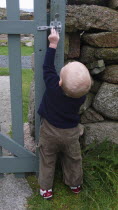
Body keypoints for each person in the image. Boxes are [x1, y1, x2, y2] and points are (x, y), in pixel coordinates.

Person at [38, 28, 92, 199]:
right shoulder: (80, 97)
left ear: (59, 81)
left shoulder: (54, 87)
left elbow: (47, 67)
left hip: (49, 131)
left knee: (47, 159)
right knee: (73, 158)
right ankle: (75, 183)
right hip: (70, 134)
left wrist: (53, 43)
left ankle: (46, 188)